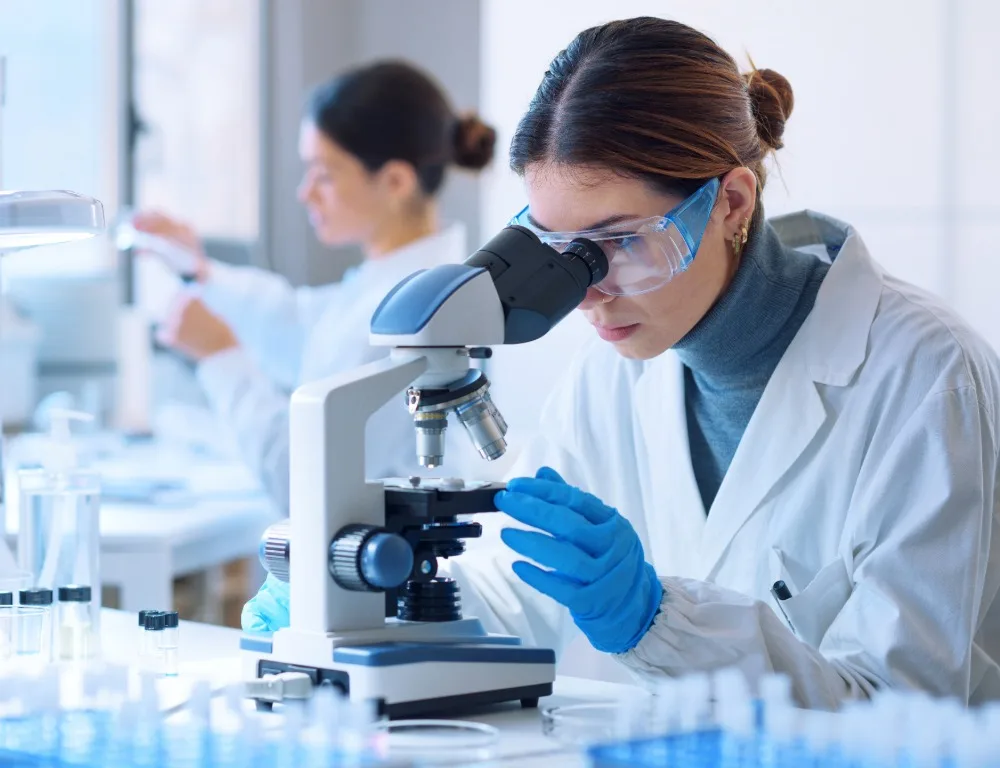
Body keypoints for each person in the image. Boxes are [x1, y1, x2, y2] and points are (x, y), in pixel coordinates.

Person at [243, 18, 1000, 709]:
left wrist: (655, 622)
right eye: (560, 253)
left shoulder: (925, 376)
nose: (587, 294)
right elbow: (521, 590)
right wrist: (364, 605)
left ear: (732, 203)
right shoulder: (617, 366)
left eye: (624, 241)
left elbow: (906, 710)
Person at [134, 61, 496, 516]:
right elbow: (301, 323)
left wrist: (220, 359)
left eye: (324, 173)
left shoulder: (416, 315)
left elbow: (304, 484)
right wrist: (199, 272)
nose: (306, 193)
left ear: (395, 181)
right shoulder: (394, 284)